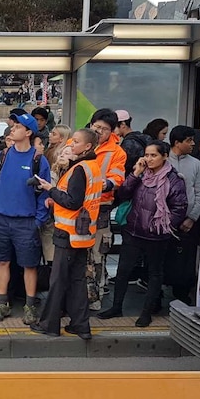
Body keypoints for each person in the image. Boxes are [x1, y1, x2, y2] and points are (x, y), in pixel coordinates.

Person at [97, 141, 187, 327]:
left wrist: (164, 226)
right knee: (123, 271)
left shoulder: (174, 179)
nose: (149, 159)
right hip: (134, 230)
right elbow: (123, 193)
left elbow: (180, 207)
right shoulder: (141, 174)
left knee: (154, 273)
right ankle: (116, 307)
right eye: (147, 155)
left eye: (154, 155)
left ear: (164, 156)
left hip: (157, 235)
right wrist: (135, 173)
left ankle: (146, 312)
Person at [30, 128, 102, 339]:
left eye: (76, 142)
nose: (71, 144)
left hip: (68, 232)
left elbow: (72, 202)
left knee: (58, 280)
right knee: (77, 280)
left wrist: (50, 190)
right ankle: (81, 325)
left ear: (87, 146)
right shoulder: (93, 167)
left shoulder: (79, 169)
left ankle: (49, 324)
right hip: (84, 234)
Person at [0, 112, 50, 325]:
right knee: (2, 262)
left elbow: (45, 192)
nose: (12, 129)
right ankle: (1, 303)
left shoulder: (39, 160)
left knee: (29, 265)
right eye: (13, 126)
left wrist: (38, 220)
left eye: (18, 127)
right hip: (0, 219)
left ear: (28, 132)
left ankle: (30, 306)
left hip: (26, 221)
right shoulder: (2, 156)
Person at [86, 109, 127, 311]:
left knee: (97, 254)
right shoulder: (77, 142)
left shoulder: (117, 152)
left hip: (101, 207)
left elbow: (117, 178)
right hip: (77, 207)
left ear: (112, 131)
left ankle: (95, 296)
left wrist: (102, 184)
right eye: (97, 127)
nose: (99, 131)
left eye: (105, 129)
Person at [165, 125, 200, 306]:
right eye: (189, 140)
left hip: (187, 221)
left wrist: (192, 217)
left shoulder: (196, 164)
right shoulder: (163, 159)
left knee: (185, 260)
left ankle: (182, 294)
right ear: (177, 142)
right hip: (163, 220)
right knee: (161, 259)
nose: (193, 144)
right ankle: (156, 296)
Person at [114, 110, 151, 175]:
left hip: (134, 179)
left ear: (123, 124)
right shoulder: (146, 137)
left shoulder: (128, 144)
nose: (112, 131)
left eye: (114, 127)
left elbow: (124, 168)